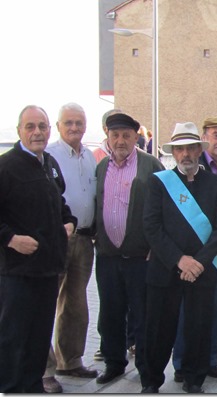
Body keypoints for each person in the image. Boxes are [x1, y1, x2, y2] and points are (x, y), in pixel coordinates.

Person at [141, 122, 217, 393]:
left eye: (191, 148)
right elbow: (151, 226)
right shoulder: (159, 183)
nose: (186, 154)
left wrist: (199, 263)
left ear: (198, 149)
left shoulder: (216, 184)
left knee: (199, 329)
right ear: (174, 152)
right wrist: (181, 260)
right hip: (166, 268)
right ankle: (151, 381)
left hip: (202, 270)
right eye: (180, 149)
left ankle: (194, 379)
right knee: (158, 330)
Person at [0, 105, 77, 393]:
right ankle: (11, 387)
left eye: (42, 127)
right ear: (19, 130)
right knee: (14, 336)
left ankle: (32, 386)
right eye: (30, 127)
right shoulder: (6, 166)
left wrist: (69, 222)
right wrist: (10, 239)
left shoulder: (49, 164)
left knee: (38, 336)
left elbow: (60, 203)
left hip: (47, 269)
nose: (37, 132)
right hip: (17, 272)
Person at [93, 112, 164, 386]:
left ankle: (148, 373)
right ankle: (114, 363)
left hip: (141, 258)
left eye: (126, 135)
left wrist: (156, 249)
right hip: (108, 257)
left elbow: (163, 209)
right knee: (110, 313)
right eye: (115, 135)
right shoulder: (101, 167)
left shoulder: (151, 165)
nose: (120, 140)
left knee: (144, 318)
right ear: (108, 137)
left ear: (136, 137)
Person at [171, 117, 217, 382]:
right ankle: (182, 363)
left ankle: (209, 359)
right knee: (188, 311)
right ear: (205, 139)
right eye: (216, 135)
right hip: (194, 256)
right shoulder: (190, 168)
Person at [42, 103, 99, 392]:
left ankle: (71, 361)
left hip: (85, 239)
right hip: (56, 239)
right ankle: (45, 370)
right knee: (46, 304)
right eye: (69, 123)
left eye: (79, 122)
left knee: (75, 304)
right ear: (58, 125)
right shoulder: (48, 155)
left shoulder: (89, 156)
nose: (75, 128)